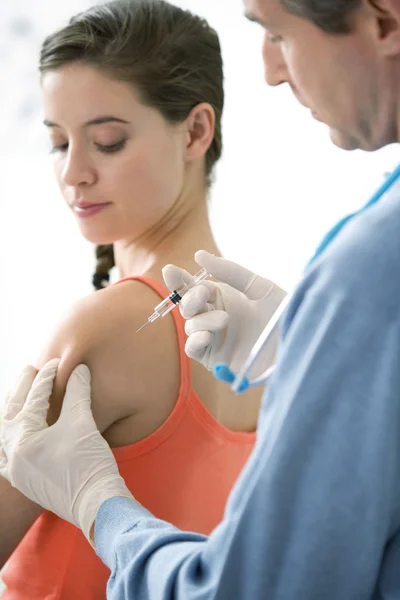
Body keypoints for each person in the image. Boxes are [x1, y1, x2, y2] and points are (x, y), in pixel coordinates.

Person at [2, 0, 400, 598]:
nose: (74, 172)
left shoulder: (103, 329)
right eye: (59, 143)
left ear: (196, 131)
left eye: (107, 141)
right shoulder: (278, 336)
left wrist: (98, 504)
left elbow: (253, 584)